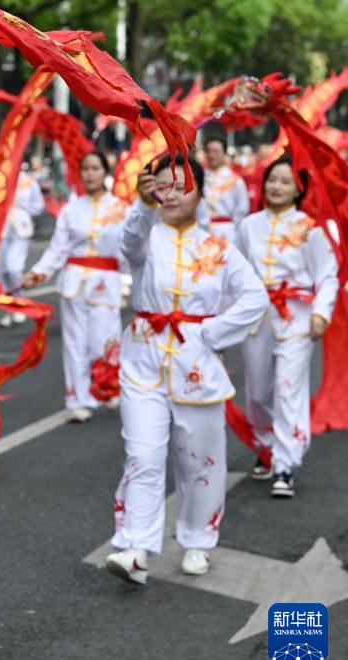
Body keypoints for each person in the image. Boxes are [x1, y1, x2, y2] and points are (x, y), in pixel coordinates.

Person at [106, 156, 267, 584]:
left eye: (183, 185)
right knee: (143, 453)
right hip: (142, 363)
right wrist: (141, 206)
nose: (172, 193)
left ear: (201, 192)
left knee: (200, 461)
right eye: (163, 185)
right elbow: (128, 244)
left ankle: (197, 540)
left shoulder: (219, 249)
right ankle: (135, 546)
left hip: (197, 368)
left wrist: (212, 333)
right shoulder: (146, 236)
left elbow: (255, 297)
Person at [235, 156, 338, 496]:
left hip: (296, 318)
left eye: (284, 181)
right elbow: (233, 272)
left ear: (298, 189)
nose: (276, 186)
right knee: (258, 391)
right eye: (272, 180)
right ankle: (265, 446)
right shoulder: (249, 225)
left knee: (288, 388)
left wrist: (321, 313)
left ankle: (285, 463)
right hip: (256, 316)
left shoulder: (310, 228)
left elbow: (327, 276)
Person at [21, 151, 128, 422]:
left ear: (105, 172)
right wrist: (37, 272)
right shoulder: (71, 209)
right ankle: (79, 400)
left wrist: (132, 278)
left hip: (107, 282)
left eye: (95, 168)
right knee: (75, 343)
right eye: (86, 169)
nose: (90, 173)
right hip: (73, 283)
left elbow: (130, 251)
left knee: (106, 339)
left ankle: (109, 387)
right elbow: (58, 249)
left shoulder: (121, 208)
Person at [203, 137, 250, 243]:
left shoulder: (235, 180)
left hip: (226, 231)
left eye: (216, 151)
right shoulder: (199, 177)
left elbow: (242, 208)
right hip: (202, 228)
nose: (212, 155)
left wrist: (233, 228)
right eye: (208, 151)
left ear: (224, 154)